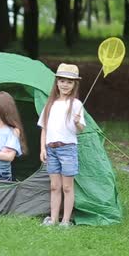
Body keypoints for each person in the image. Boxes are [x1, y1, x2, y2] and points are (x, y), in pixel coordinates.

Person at [38, 63, 86, 228]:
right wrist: (42, 148)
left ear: (74, 85)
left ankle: (65, 221)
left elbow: (79, 130)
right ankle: (53, 219)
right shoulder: (50, 104)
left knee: (67, 187)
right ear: (57, 83)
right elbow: (44, 128)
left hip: (68, 149)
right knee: (54, 186)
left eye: (69, 82)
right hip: (51, 149)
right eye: (62, 81)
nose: (65, 85)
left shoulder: (76, 105)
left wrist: (78, 122)